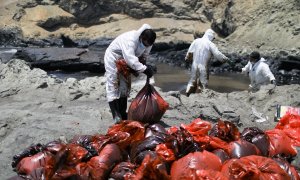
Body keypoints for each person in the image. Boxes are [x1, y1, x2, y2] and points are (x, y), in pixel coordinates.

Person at [104, 24, 156, 123]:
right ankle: (116, 115)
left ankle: (123, 113)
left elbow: (144, 55)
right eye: (145, 44)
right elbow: (130, 59)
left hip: (126, 59)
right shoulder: (131, 40)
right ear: (141, 37)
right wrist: (144, 69)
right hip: (114, 56)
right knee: (113, 83)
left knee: (125, 85)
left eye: (148, 45)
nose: (146, 46)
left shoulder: (148, 42)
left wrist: (144, 64)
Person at [185, 29, 229, 96]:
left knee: (192, 80)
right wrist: (225, 59)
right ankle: (199, 97)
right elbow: (217, 54)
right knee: (203, 83)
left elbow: (189, 54)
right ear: (211, 36)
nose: (213, 39)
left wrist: (188, 60)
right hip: (203, 66)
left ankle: (188, 94)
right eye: (213, 38)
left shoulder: (196, 41)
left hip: (194, 65)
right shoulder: (210, 44)